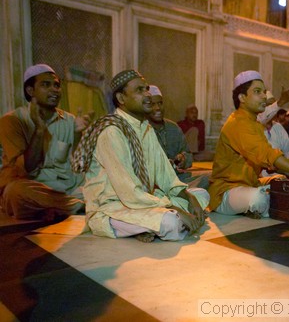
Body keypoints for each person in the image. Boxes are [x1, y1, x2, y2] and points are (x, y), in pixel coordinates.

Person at [72, 70, 209, 242]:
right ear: (121, 99)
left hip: (146, 200)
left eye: (146, 89)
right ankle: (147, 224)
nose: (147, 95)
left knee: (201, 195)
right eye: (139, 91)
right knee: (170, 222)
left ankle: (145, 227)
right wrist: (177, 210)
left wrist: (190, 199)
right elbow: (130, 193)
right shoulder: (111, 131)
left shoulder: (146, 128)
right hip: (114, 206)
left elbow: (166, 176)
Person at [207, 70, 289, 218]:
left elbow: (272, 158)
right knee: (259, 199)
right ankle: (252, 204)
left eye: (264, 92)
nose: (264, 96)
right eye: (258, 91)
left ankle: (253, 205)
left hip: (251, 184)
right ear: (242, 97)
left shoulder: (255, 124)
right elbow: (267, 154)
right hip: (226, 191)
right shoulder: (238, 123)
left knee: (282, 181)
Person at [0, 64, 89, 220]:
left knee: (103, 183)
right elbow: (26, 169)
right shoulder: (11, 121)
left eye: (56, 85)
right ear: (30, 90)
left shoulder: (70, 121)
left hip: (65, 188)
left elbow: (79, 166)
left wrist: (78, 136)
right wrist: (40, 130)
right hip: (32, 188)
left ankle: (54, 209)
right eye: (46, 85)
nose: (54, 89)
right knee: (15, 193)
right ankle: (74, 206)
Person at [147, 85, 194, 183]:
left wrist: (183, 159)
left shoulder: (173, 128)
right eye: (152, 104)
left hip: (178, 178)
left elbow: (189, 155)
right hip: (156, 182)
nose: (158, 108)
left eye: (160, 103)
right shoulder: (142, 130)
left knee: (208, 180)